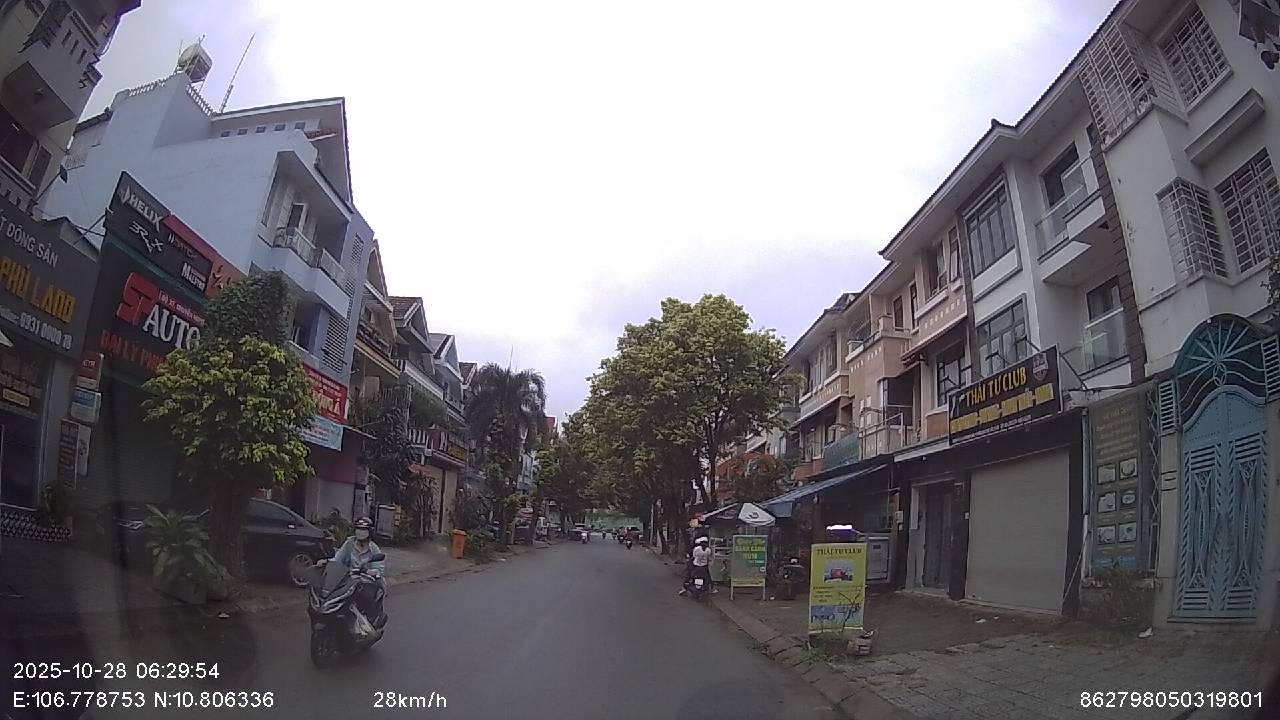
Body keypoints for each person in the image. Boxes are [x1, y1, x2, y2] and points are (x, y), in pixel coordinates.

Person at [328, 517, 386, 625]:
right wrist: (326, 562)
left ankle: (369, 623)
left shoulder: (374, 548)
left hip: (367, 582)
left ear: (369, 531)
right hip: (349, 580)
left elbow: (379, 569)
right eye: (359, 529)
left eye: (364, 529)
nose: (361, 532)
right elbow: (338, 559)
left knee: (367, 598)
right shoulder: (349, 543)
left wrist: (368, 571)